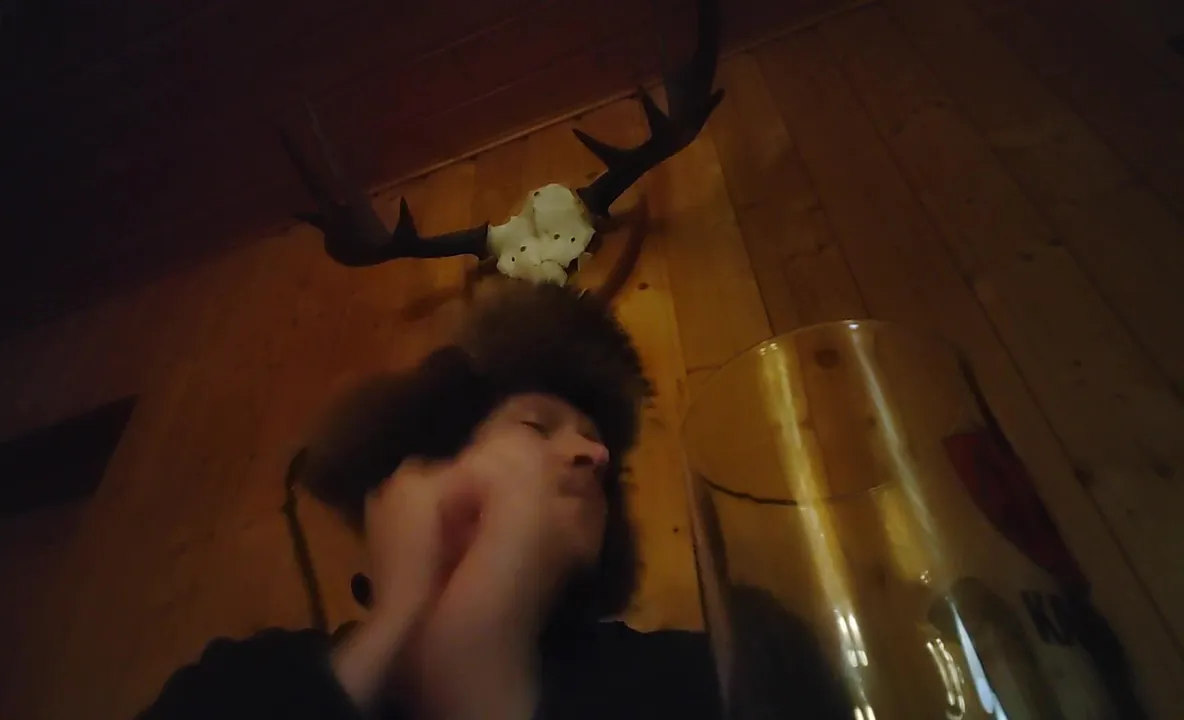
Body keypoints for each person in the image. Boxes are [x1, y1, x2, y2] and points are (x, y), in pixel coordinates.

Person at [139, 284, 852, 719]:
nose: (596, 455)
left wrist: (482, 662)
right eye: (538, 426)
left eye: (598, 443)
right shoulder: (242, 687)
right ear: (431, 465)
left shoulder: (698, 679)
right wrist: (393, 627)